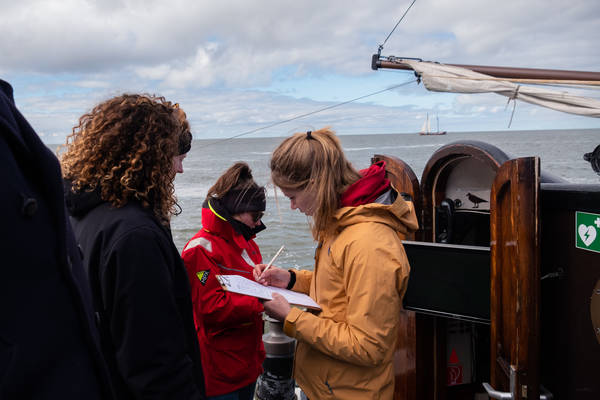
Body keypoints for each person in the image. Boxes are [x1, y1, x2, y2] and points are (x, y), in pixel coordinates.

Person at [254, 128, 418, 399]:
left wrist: (290, 316)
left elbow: (368, 346)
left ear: (317, 182)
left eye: (293, 196)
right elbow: (339, 288)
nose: (293, 207)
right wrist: (292, 280)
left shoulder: (369, 244)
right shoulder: (344, 221)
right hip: (325, 386)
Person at [60, 94, 206, 399]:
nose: (179, 169)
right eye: (177, 156)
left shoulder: (79, 214)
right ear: (151, 156)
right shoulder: (134, 236)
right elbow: (155, 363)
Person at [0, 79, 114, 398]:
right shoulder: (196, 245)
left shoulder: (238, 241)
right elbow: (203, 283)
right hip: (223, 371)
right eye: (176, 155)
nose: (179, 169)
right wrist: (241, 301)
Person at [181, 162, 267, 400]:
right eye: (256, 215)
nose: (259, 223)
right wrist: (263, 301)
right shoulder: (199, 251)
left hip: (248, 363)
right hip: (219, 373)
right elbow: (211, 308)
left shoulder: (247, 243)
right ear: (235, 211)